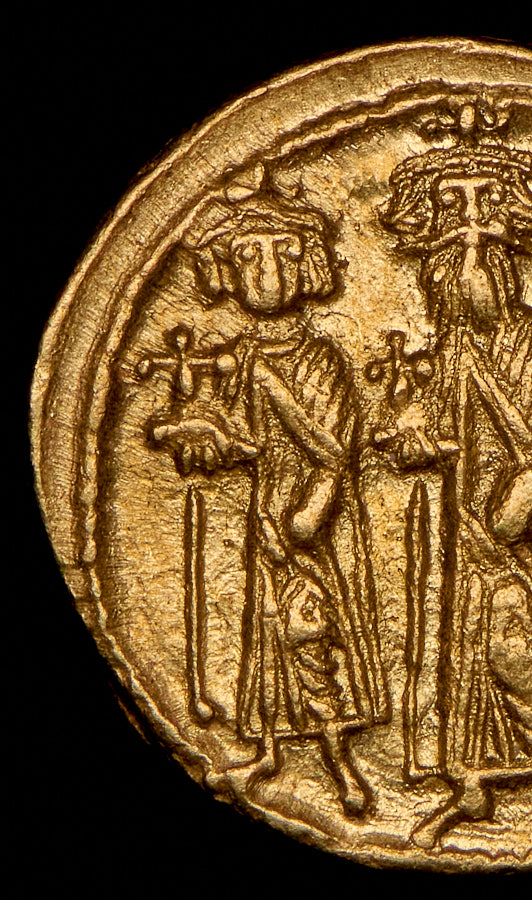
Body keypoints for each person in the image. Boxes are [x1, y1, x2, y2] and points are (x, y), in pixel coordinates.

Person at [378, 101, 532, 851]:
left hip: (512, 529)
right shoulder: (448, 345)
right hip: (459, 526)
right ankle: (471, 788)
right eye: (454, 255)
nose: (468, 271)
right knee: (462, 649)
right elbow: (435, 432)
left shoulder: (529, 335)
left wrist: (517, 499)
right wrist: (411, 438)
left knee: (518, 643)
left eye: (483, 253)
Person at [150, 161, 389, 815]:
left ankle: (342, 760)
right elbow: (241, 441)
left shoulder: (320, 359)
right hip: (265, 510)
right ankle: (272, 751)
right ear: (227, 269)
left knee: (315, 632)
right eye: (249, 255)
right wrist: (201, 434)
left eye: (281, 254)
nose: (265, 272)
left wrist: (309, 511)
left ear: (306, 265)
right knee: (269, 631)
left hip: (314, 518)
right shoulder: (241, 358)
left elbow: (333, 450)